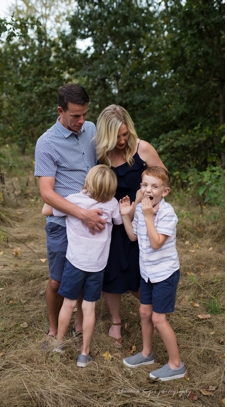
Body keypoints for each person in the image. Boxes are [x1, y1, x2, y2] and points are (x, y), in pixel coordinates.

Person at [93, 104, 164, 347]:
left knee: (139, 271)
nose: (122, 141)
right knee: (111, 271)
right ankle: (115, 321)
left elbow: (162, 182)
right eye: (116, 137)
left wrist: (146, 202)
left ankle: (153, 314)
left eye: (125, 134)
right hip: (111, 223)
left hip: (140, 221)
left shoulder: (142, 148)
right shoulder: (100, 155)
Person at [34, 84, 101, 338]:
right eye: (75, 116)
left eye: (85, 114)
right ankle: (53, 331)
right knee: (57, 280)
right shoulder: (46, 143)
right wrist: (82, 214)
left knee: (86, 272)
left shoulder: (91, 129)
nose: (82, 121)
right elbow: (47, 193)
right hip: (63, 222)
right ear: (60, 111)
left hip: (91, 219)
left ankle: (79, 325)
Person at [48, 165, 122, 367]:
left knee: (69, 303)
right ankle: (84, 353)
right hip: (97, 265)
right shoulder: (112, 203)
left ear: (88, 181)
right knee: (89, 307)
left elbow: (47, 209)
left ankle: (59, 343)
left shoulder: (74, 201)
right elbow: (119, 220)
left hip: (75, 262)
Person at [118, 166, 185, 381]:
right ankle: (147, 354)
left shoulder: (167, 213)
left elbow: (156, 243)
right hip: (147, 272)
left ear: (164, 192)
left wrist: (148, 216)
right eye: (145, 185)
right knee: (145, 313)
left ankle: (176, 365)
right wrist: (126, 215)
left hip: (165, 274)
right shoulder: (140, 209)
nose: (149, 190)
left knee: (158, 318)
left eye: (155, 186)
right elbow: (133, 236)